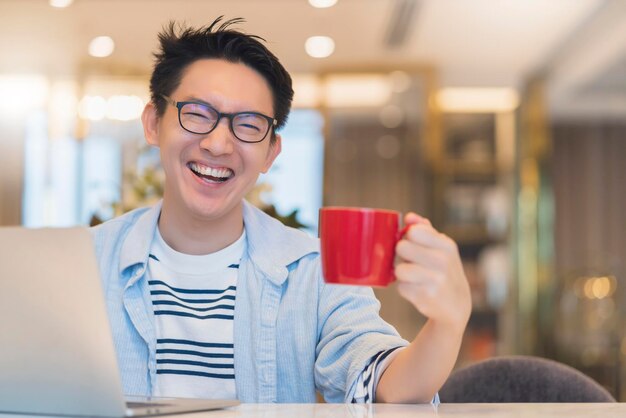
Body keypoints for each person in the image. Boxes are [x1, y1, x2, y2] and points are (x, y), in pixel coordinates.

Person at [91, 16, 471, 404]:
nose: (219, 143)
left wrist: (447, 323)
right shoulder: (86, 262)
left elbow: (385, 388)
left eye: (249, 124)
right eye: (198, 114)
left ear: (271, 152)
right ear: (154, 123)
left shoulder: (314, 270)